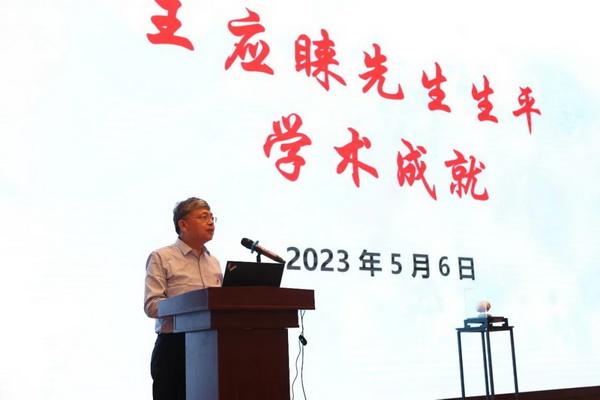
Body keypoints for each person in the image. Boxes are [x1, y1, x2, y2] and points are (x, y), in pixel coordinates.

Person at [144, 197, 223, 400]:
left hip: (210, 347)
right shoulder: (162, 257)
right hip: (174, 347)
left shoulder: (213, 262)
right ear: (183, 224)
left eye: (212, 217)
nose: (211, 222)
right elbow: (152, 306)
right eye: (203, 217)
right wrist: (192, 305)